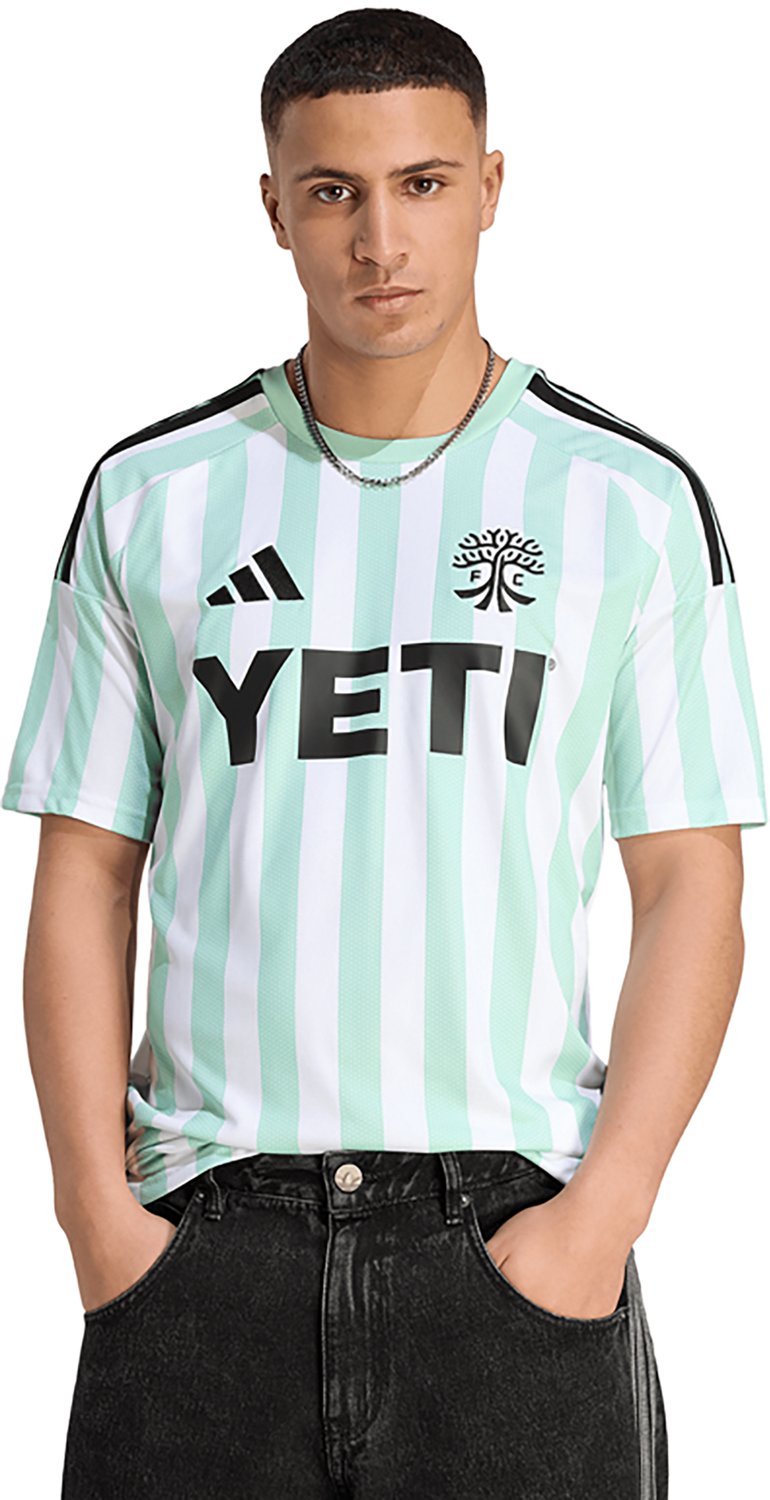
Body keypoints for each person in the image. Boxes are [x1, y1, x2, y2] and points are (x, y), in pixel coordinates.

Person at [2, 8, 766, 1498]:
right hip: (206, 1236)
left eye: (422, 184)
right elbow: (83, 870)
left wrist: (599, 1220)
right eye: (333, 192)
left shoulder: (626, 499)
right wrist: (95, 1215)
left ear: (491, 185)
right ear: (272, 206)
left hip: (513, 1237)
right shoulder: (152, 497)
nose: (380, 240)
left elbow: (692, 882)